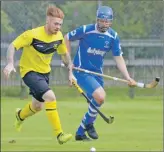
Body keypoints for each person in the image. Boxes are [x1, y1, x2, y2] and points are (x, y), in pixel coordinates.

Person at [64, 6, 137, 141]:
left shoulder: (113, 36)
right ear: (97, 20)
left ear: (111, 21)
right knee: (100, 97)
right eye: (102, 21)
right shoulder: (86, 30)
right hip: (81, 71)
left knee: (98, 100)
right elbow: (66, 37)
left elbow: (118, 57)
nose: (104, 24)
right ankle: (89, 124)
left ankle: (80, 132)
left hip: (98, 73)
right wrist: (68, 62)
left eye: (107, 21)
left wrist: (127, 77)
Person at [3, 5, 73, 145]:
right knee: (50, 97)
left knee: (37, 106)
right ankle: (59, 134)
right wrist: (10, 63)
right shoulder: (32, 35)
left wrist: (70, 72)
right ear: (47, 20)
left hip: (44, 74)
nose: (58, 27)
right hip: (29, 72)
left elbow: (64, 55)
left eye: (60, 24)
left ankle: (19, 116)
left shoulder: (58, 37)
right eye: (55, 23)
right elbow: (12, 46)